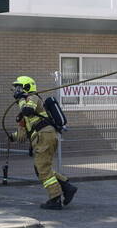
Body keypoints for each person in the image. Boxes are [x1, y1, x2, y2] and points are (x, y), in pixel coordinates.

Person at [7, 75, 77, 210]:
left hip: (45, 136)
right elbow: (26, 133)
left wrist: (21, 99)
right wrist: (13, 136)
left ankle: (55, 199)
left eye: (19, 87)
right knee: (42, 168)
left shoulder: (32, 98)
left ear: (26, 87)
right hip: (42, 137)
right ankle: (67, 187)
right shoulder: (26, 102)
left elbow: (28, 111)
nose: (16, 90)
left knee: (42, 169)